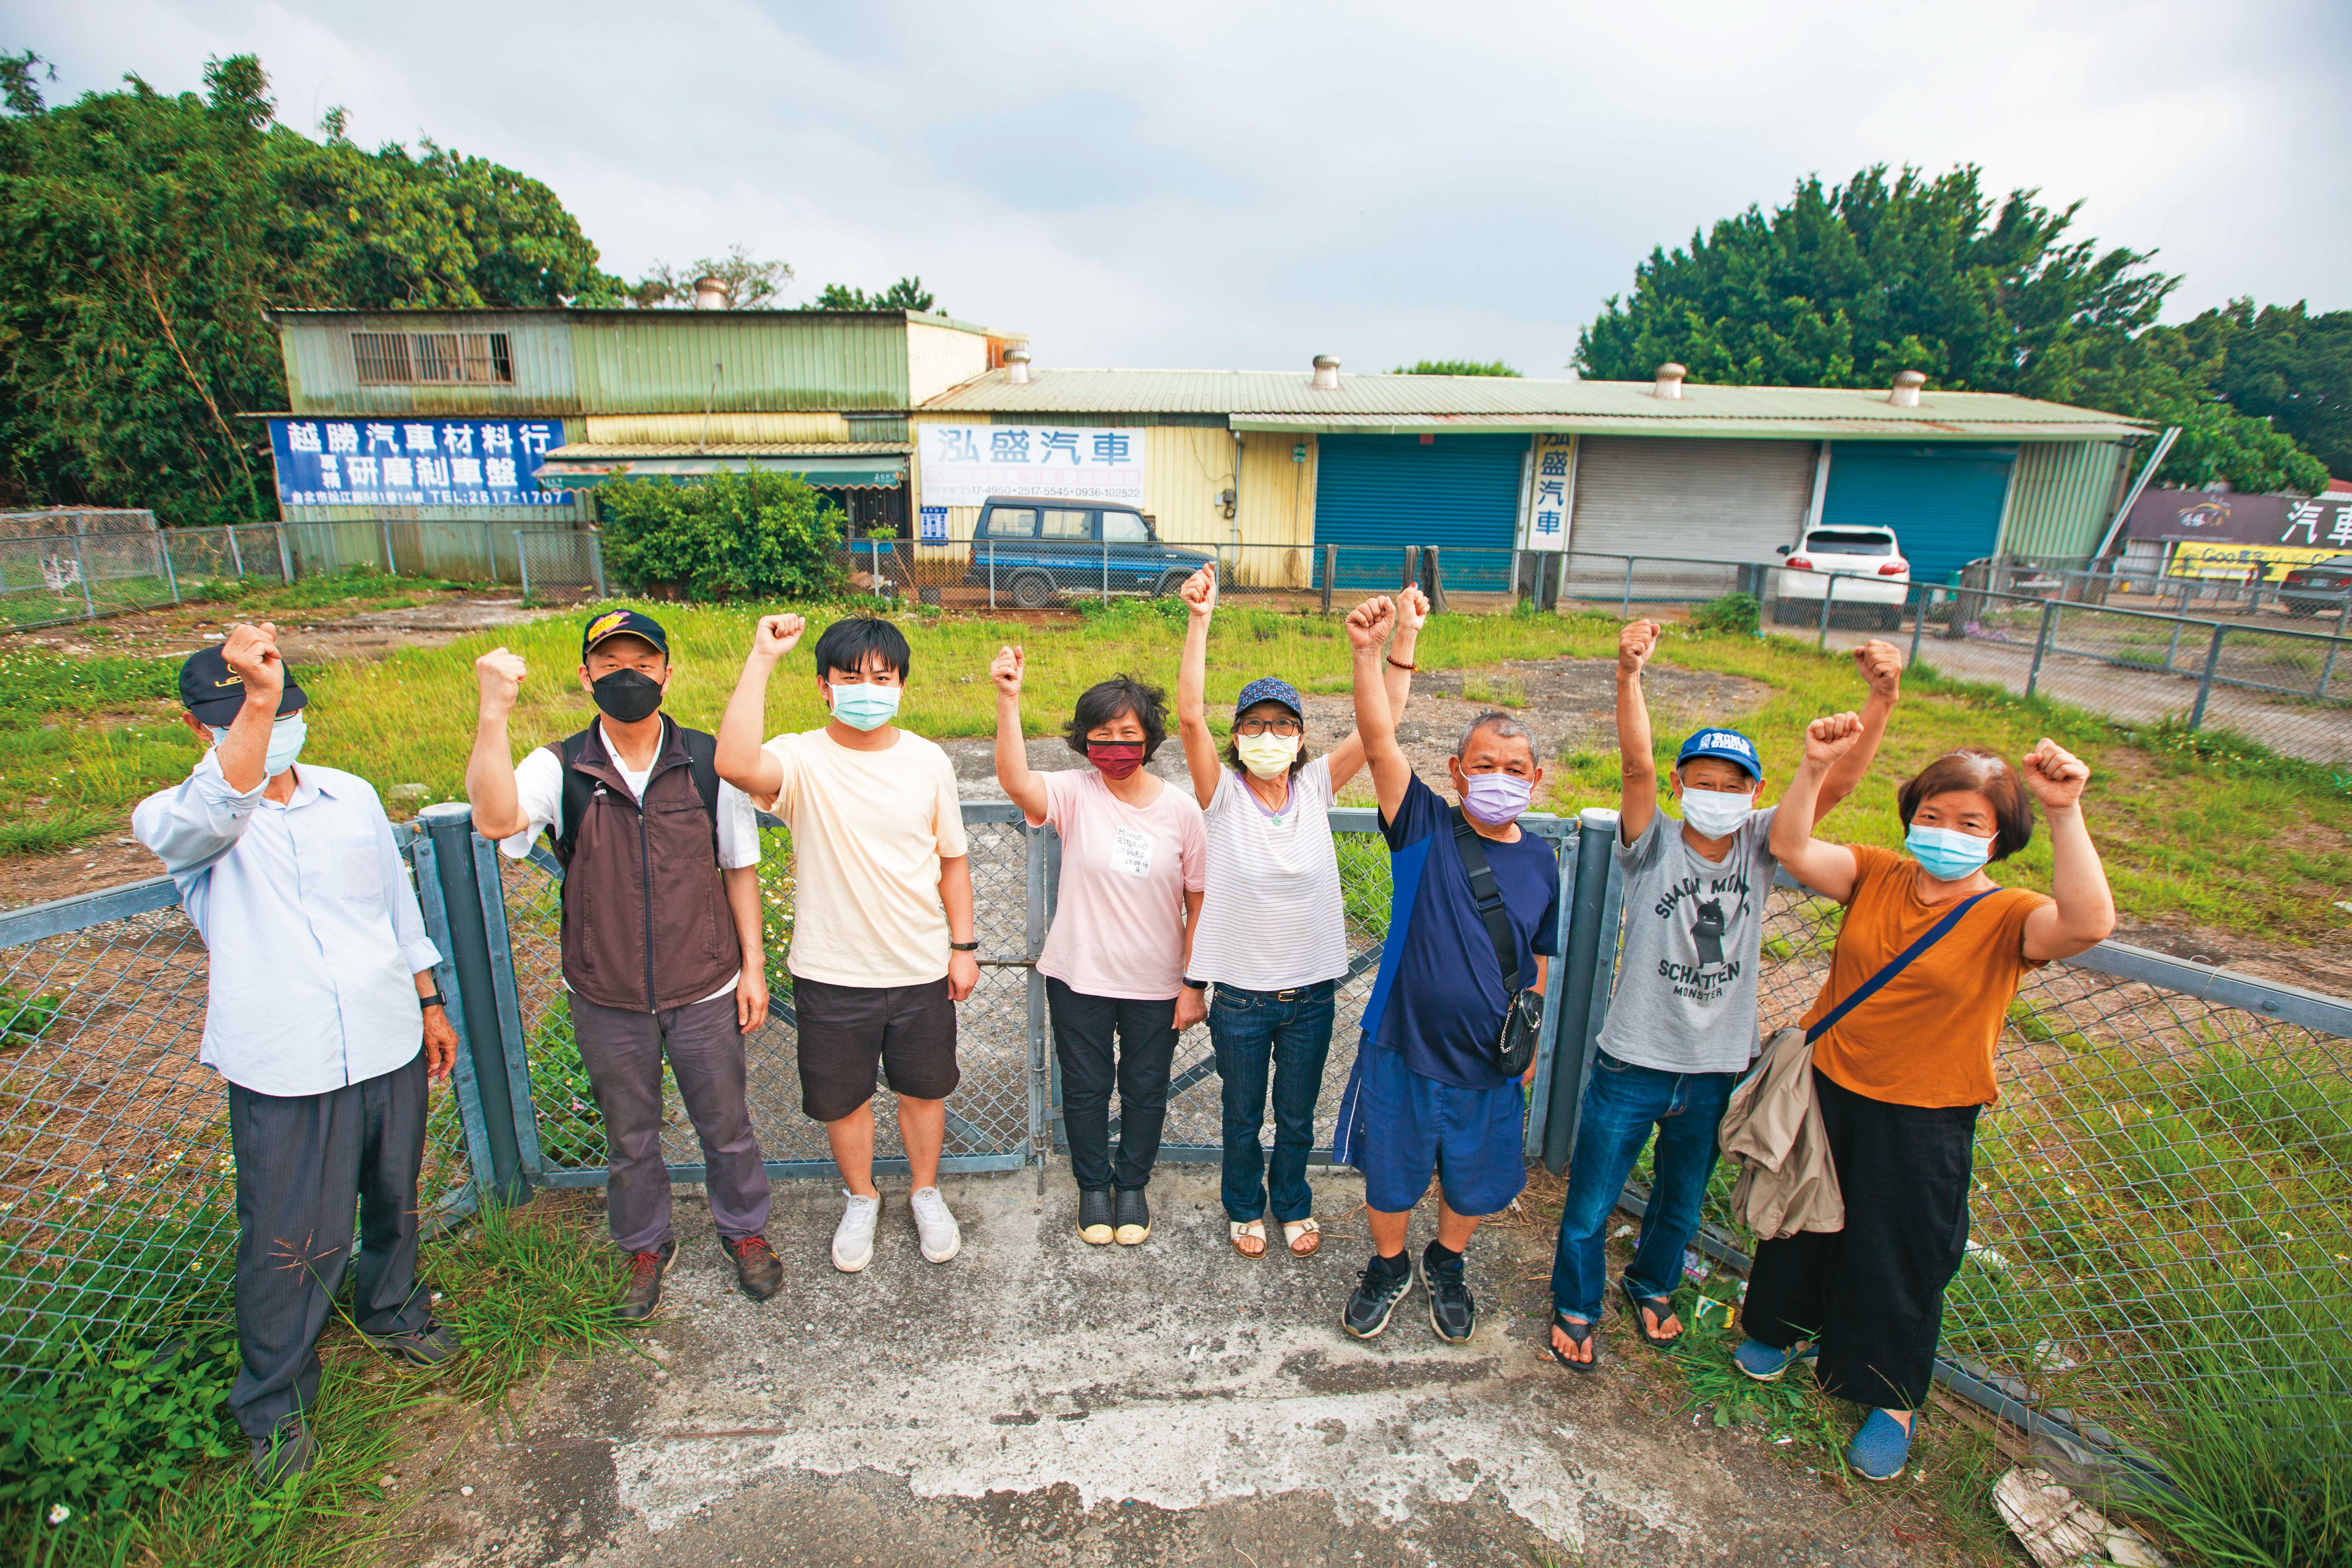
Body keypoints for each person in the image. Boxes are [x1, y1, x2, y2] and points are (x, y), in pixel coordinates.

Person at [1740, 720, 2115, 1481]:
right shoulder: (1877, 874)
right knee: (1798, 1217)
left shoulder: (2010, 916)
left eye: (1970, 822)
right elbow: (1792, 847)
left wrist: (2065, 810)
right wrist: (1813, 766)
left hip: (1927, 1114)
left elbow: (2088, 924)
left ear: (2000, 836)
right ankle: (1780, 1328)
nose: (1946, 831)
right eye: (1933, 815)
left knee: (1899, 1253)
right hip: (1829, 1084)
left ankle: (1890, 1396)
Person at [134, 623, 460, 1486]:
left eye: (281, 710)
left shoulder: (349, 797)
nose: (270, 725)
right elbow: (219, 802)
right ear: (196, 726)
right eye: (241, 712)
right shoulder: (183, 818)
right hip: (286, 1062)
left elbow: (395, 907)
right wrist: (258, 698)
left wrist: (429, 1001)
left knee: (394, 1195)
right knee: (289, 1235)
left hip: (386, 1036)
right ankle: (273, 1401)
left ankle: (392, 1309)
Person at [1547, 627, 1901, 1372]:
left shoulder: (1763, 845)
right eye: (1702, 782)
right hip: (1634, 1062)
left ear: (1756, 794)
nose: (1717, 795)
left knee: (1681, 1200)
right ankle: (1576, 1302)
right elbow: (1636, 765)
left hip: (1715, 1069)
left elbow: (1836, 786)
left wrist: (1881, 701)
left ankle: (1652, 1284)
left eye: (1733, 785)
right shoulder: (1653, 843)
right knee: (1591, 1202)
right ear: (1680, 787)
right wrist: (1628, 675)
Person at [464, 609, 780, 1319]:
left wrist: (753, 968)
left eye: (642, 663)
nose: (627, 676)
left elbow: (739, 865)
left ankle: (744, 1230)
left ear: (667, 673)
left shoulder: (706, 761)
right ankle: (644, 1244)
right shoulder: (560, 766)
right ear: (586, 677)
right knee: (630, 1136)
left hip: (705, 985)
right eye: (609, 664)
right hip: (605, 993)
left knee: (727, 1125)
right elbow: (494, 820)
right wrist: (493, 713)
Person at [1176, 564, 1428, 1260]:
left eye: (1282, 725)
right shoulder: (1221, 795)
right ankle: (1243, 1206)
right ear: (1237, 737)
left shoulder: (1317, 785)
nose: (1269, 735)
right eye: (1255, 725)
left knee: (1295, 1117)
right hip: (1240, 999)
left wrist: (1400, 641)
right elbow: (1190, 716)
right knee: (1241, 1115)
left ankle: (1291, 1203)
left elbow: (1384, 724)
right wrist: (1199, 621)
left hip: (1312, 994)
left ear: (1300, 736)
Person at [716, 613, 979, 1273]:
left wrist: (964, 946)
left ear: (902, 685)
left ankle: (924, 1192)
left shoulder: (929, 760)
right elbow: (735, 764)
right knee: (845, 1100)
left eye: (883, 678)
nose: (868, 689)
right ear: (824, 687)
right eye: (852, 677)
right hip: (831, 972)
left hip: (920, 967)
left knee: (924, 1092)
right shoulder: (801, 758)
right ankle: (861, 1197)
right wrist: (761, 657)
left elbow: (952, 861)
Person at [1334, 595, 1559, 1345]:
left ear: (1537, 778)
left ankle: (1447, 1261)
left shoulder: (1542, 862)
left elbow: (1536, 957)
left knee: (1474, 1175)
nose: (1500, 777)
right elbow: (1378, 739)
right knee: (1391, 1172)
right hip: (1401, 1047)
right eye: (1485, 765)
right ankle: (1389, 1265)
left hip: (1490, 1061)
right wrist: (1373, 651)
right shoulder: (1423, 826)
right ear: (1458, 772)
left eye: (1515, 768)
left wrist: (1530, 1040)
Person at [991, 653, 1207, 1245]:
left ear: (1150, 738)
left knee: (1146, 1089)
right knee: (1085, 1089)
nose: (1115, 746)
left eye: (1128, 734)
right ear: (1084, 741)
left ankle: (1131, 1184)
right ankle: (1092, 1185)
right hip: (1079, 975)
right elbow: (1016, 781)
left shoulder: (1181, 810)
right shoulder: (1074, 792)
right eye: (1102, 735)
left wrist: (1194, 983)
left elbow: (1199, 903)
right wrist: (1008, 700)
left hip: (1157, 982)